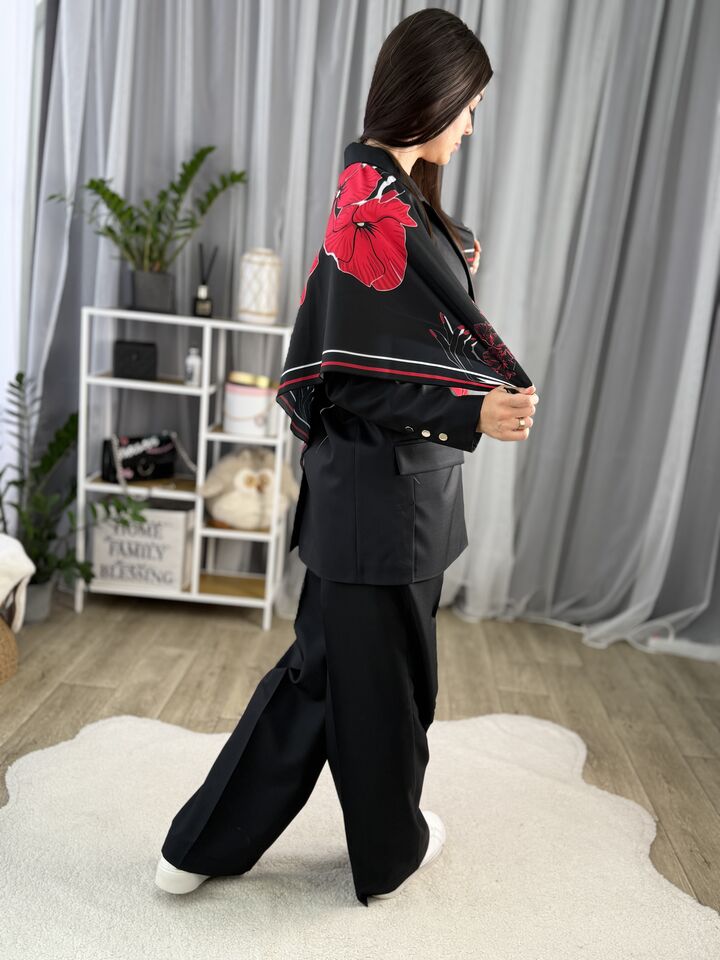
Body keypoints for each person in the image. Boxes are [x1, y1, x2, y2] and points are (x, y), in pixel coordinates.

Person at [155, 8, 538, 907]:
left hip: (376, 502)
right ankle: (382, 850)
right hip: (383, 507)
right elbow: (353, 377)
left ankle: (205, 845)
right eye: (468, 108)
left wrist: (453, 259)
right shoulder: (372, 208)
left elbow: (380, 343)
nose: (469, 128)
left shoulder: (387, 198)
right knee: (375, 691)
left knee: (332, 681)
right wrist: (471, 409)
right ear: (433, 98)